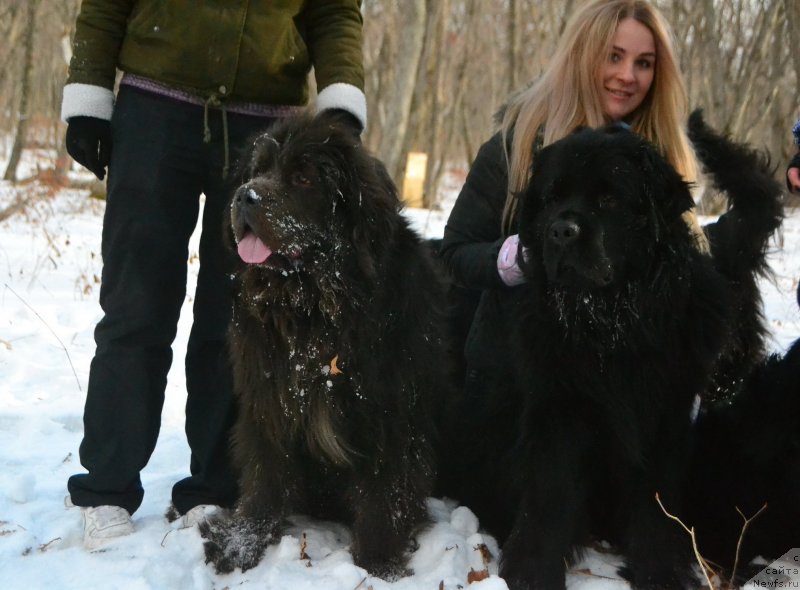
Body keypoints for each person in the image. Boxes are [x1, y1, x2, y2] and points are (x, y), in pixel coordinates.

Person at [61, 1, 366, 550]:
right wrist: (89, 96)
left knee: (237, 317)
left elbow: (336, 11)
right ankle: (106, 486)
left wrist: (340, 103)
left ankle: (213, 485)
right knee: (135, 308)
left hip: (265, 129)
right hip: (154, 110)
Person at [437, 0, 705, 532]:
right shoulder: (520, 140)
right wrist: (527, 256)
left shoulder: (658, 155)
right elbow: (454, 252)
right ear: (583, 56)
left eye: (644, 63)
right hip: (519, 393)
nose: (628, 76)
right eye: (613, 56)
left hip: (623, 403)